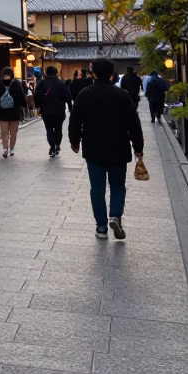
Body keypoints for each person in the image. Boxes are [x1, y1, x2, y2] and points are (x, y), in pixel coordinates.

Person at [68, 58, 144, 240]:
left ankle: (101, 227)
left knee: (97, 187)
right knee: (118, 185)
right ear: (111, 74)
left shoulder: (84, 94)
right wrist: (138, 147)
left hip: (93, 148)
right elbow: (134, 124)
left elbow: (75, 121)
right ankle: (115, 215)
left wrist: (75, 141)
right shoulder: (122, 95)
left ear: (93, 74)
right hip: (119, 146)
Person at [35, 65, 73, 157]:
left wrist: (37, 106)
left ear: (46, 73)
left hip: (46, 110)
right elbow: (67, 96)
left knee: (49, 129)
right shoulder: (61, 83)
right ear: (56, 73)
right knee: (58, 128)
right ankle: (57, 145)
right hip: (59, 110)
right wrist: (70, 107)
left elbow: (36, 96)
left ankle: (52, 147)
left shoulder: (41, 83)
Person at [0, 67, 27, 158]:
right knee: (13, 132)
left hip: (2, 112)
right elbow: (22, 98)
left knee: (4, 132)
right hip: (14, 112)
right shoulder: (16, 85)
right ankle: (11, 149)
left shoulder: (0, 86)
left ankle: (5, 149)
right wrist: (24, 105)